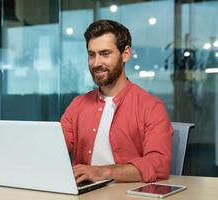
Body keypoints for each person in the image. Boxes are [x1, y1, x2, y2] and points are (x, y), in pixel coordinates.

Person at [61, 20, 173, 184]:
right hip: (83, 193)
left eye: (105, 53)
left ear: (126, 54)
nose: (96, 63)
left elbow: (159, 163)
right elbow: (54, 150)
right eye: (92, 54)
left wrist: (102, 172)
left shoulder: (151, 107)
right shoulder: (77, 105)